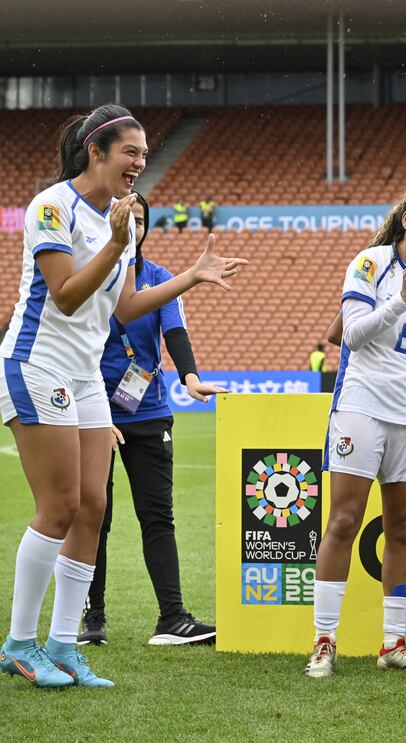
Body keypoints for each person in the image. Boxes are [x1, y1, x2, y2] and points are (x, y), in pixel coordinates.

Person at [0, 104, 244, 688]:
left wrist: (187, 276)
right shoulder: (52, 205)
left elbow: (126, 306)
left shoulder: (125, 220)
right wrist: (113, 244)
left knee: (92, 508)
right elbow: (63, 298)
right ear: (97, 152)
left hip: (85, 376)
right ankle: (18, 643)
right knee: (58, 508)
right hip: (38, 363)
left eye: (143, 153)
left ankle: (63, 646)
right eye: (130, 152)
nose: (139, 162)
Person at [303, 184, 406, 679]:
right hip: (361, 407)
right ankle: (324, 642)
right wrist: (400, 300)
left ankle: (395, 643)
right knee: (344, 522)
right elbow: (350, 334)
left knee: (403, 529)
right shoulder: (370, 263)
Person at [81, 191, 223, 647]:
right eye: (126, 218)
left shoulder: (161, 278)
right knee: (93, 516)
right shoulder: (88, 278)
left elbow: (175, 330)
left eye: (140, 220)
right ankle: (92, 620)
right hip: (93, 412)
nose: (134, 228)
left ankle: (173, 617)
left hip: (148, 412)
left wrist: (191, 377)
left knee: (158, 517)